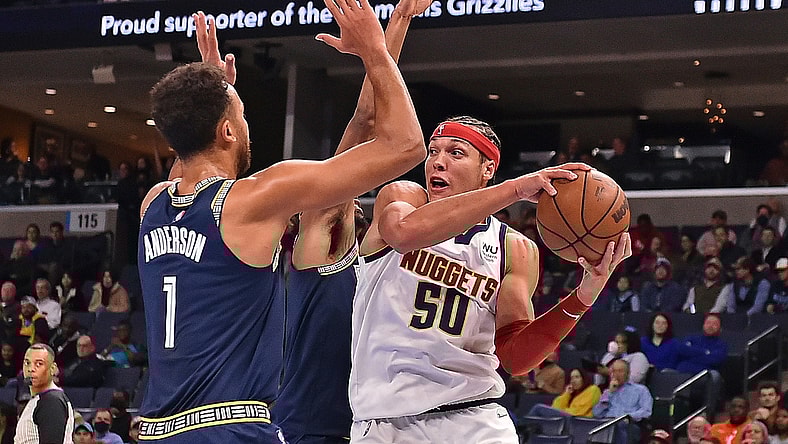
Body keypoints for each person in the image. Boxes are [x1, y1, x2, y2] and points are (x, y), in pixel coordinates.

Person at [136, 2, 427, 441]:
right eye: (242, 117)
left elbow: (188, 153)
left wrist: (209, 96)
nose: (247, 126)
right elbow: (406, 146)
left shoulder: (153, 205)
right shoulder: (254, 201)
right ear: (228, 132)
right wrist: (374, 51)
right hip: (229, 427)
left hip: (157, 429)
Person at [352, 120, 629, 444]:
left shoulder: (514, 248)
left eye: (456, 153)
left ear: (487, 169)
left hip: (474, 420)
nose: (438, 161)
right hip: (386, 424)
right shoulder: (405, 198)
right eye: (433, 152)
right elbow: (403, 234)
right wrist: (514, 190)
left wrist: (583, 296)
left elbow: (515, 358)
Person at [272, 3, 428, 442]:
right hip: (308, 427)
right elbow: (368, 122)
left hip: (370, 428)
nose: (351, 201)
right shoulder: (320, 247)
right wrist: (393, 28)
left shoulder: (381, 261)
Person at [14, 343, 75, 444]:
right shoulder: (40, 399)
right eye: (27, 363)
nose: (31, 369)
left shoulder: (52, 400)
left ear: (52, 369)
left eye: (39, 364)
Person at [592, 359, 653, 444]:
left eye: (620, 371)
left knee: (618, 427)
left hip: (628, 425)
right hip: (607, 424)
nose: (616, 374)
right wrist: (609, 394)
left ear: (628, 373)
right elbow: (596, 414)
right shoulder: (608, 392)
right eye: (614, 371)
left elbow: (646, 411)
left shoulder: (640, 390)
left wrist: (627, 417)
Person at [526, 367, 601, 417]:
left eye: (577, 377)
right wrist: (567, 394)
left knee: (538, 408)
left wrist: (564, 411)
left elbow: (580, 412)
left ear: (584, 378)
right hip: (566, 418)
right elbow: (556, 407)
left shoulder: (593, 389)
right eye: (571, 378)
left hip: (578, 420)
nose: (573, 381)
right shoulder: (573, 394)